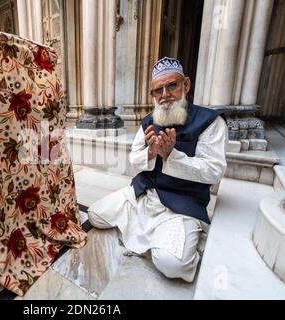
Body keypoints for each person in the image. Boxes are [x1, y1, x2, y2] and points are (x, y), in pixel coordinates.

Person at [87, 57, 228, 282]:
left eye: (172, 85)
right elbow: (134, 158)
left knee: (173, 266)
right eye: (157, 90)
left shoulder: (210, 122)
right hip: (145, 195)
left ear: (186, 85)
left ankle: (170, 237)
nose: (165, 94)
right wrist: (151, 153)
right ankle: (156, 235)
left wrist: (171, 155)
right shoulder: (148, 122)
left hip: (182, 203)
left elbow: (214, 171)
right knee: (95, 215)